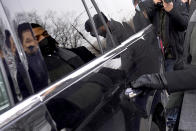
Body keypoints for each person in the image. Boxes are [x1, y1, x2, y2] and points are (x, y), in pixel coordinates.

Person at [140, 0, 189, 71]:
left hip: (173, 57)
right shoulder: (152, 5)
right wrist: (153, 4)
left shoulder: (179, 4)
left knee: (169, 81)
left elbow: (184, 24)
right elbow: (142, 19)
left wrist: (172, 10)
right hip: (156, 58)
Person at [17, 23, 49, 93]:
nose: (42, 39)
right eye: (29, 40)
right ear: (22, 47)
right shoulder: (24, 76)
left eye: (45, 34)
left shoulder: (66, 53)